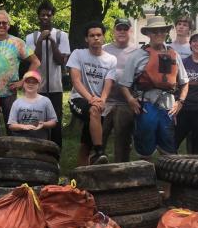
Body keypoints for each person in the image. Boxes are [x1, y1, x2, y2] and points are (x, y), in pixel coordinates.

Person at [119, 16, 189, 159]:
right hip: (146, 105)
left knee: (168, 147)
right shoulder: (137, 56)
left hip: (168, 106)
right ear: (148, 34)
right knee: (145, 146)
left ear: (166, 33)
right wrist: (131, 100)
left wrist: (180, 102)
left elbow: (185, 82)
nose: (158, 34)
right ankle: (146, 176)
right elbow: (124, 84)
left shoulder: (174, 55)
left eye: (162, 31)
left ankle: (167, 178)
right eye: (155, 31)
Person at [67, 21, 118, 166]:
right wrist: (91, 99)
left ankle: (80, 173)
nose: (96, 38)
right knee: (94, 111)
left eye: (98, 35)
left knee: (86, 142)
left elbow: (108, 83)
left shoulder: (111, 60)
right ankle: (100, 152)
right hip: (78, 98)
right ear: (86, 39)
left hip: (99, 102)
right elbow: (76, 81)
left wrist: (102, 100)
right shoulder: (78, 54)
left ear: (103, 37)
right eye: (92, 35)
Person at [0, 9, 39, 137]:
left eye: (4, 22)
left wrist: (23, 81)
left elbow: (36, 62)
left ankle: (12, 154)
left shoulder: (18, 43)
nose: (1, 25)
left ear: (8, 25)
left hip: (10, 91)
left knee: (13, 127)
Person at [24, 1, 70, 149]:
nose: (45, 18)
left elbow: (60, 60)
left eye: (48, 15)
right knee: (36, 119)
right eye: (42, 15)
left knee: (55, 121)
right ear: (38, 16)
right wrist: (39, 41)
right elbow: (35, 60)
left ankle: (56, 153)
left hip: (56, 86)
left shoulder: (61, 35)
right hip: (36, 87)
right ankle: (38, 150)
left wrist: (51, 40)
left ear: (52, 16)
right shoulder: (30, 37)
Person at [102, 17, 139, 162]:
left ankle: (121, 174)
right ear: (114, 31)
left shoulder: (138, 51)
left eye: (125, 29)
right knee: (99, 139)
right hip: (105, 102)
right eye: (119, 28)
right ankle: (94, 173)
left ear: (130, 31)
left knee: (122, 142)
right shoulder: (104, 49)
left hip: (126, 103)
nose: (122, 32)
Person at [7, 70, 58, 141]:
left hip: (41, 140)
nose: (30, 84)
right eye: (28, 81)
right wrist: (23, 127)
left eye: (34, 82)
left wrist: (43, 124)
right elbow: (11, 125)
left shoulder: (46, 101)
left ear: (39, 85)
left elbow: (53, 121)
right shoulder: (17, 103)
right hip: (21, 141)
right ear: (23, 84)